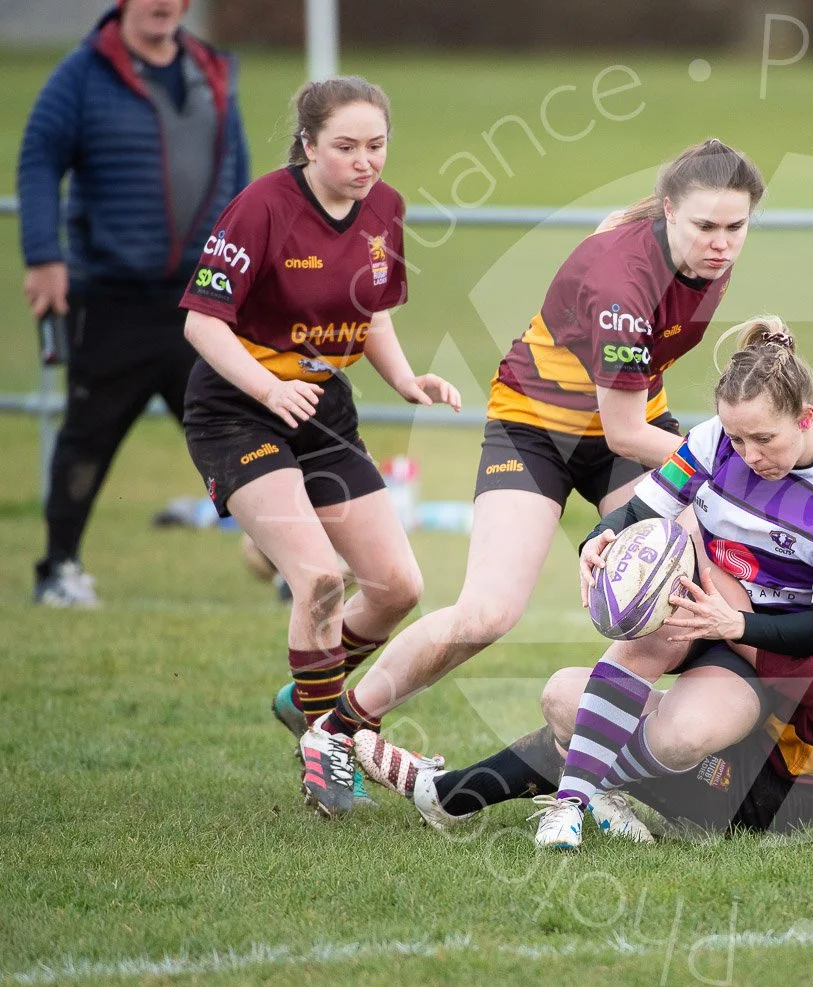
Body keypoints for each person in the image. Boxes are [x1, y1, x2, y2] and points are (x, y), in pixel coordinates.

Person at [289, 140, 766, 811]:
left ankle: (627, 769)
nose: (721, 243)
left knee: (684, 591)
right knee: (488, 613)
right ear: (666, 213)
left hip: (623, 424)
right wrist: (731, 455)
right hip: (537, 429)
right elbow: (628, 433)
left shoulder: (694, 254)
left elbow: (626, 421)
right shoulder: (624, 289)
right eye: (705, 227)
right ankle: (337, 731)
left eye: (735, 227)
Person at [179, 76, 461, 817]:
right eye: (345, 147)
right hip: (238, 411)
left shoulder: (385, 210)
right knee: (321, 581)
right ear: (307, 144)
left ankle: (306, 697)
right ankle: (326, 750)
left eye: (376, 146)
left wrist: (405, 379)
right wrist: (269, 390)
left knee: (398, 586)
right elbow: (202, 325)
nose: (364, 162)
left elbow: (370, 312)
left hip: (322, 411)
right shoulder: (261, 208)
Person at [531, 316, 813, 847]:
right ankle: (570, 805)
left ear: (805, 418)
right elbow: (640, 507)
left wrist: (735, 624)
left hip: (763, 643)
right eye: (736, 437)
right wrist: (598, 539)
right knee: (561, 697)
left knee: (681, 737)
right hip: (702, 601)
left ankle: (579, 780)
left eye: (763, 440)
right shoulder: (710, 441)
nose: (748, 455)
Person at [354, 534, 813, 839]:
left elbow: (778, 650)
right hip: (754, 748)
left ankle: (447, 795)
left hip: (768, 799)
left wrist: (725, 613)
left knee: (578, 713)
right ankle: (577, 793)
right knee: (573, 697)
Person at [18, 0, 250, 607]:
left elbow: (244, 183)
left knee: (240, 433)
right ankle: (58, 571)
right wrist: (44, 255)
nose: (163, 3)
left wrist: (252, 272)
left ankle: (290, 567)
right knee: (87, 438)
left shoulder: (212, 72)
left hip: (200, 303)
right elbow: (38, 157)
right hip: (112, 298)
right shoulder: (83, 74)